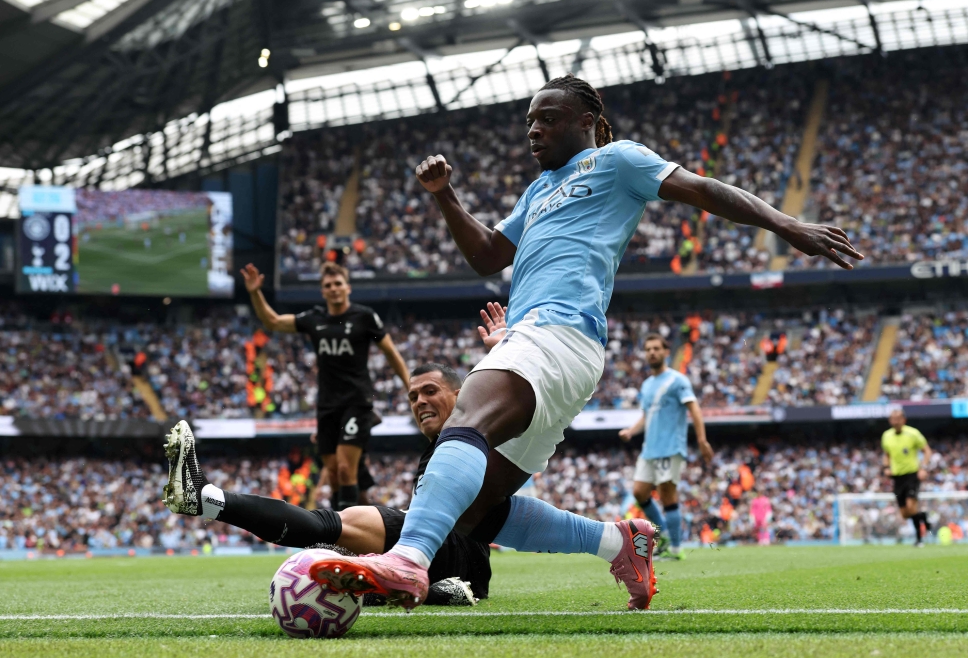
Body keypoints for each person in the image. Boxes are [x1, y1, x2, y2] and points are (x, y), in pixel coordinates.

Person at [307, 74, 863, 611]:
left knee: (464, 423)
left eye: (548, 119)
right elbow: (487, 257)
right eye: (529, 121)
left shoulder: (617, 159)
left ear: (589, 121)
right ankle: (619, 543)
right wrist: (445, 196)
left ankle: (407, 560)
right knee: (477, 509)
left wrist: (789, 226)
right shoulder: (537, 190)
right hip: (552, 343)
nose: (534, 131)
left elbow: (703, 189)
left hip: (557, 329)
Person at [161, 362, 490, 605]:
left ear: (461, 397)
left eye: (430, 392)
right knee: (329, 555)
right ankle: (431, 592)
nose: (419, 401)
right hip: (454, 558)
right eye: (413, 396)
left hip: (458, 545)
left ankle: (206, 499)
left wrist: (505, 344)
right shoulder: (440, 446)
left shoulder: (476, 434)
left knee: (339, 525)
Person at [240, 261, 409, 510]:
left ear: (348, 288)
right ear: (322, 291)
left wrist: (409, 385)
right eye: (328, 285)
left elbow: (391, 353)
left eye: (338, 283)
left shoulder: (364, 317)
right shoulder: (313, 319)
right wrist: (255, 292)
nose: (333, 288)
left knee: (344, 467)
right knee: (333, 475)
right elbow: (273, 321)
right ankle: (369, 529)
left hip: (357, 401)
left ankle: (346, 538)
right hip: (327, 405)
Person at [618, 333, 713, 560]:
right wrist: (631, 431)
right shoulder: (647, 384)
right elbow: (646, 416)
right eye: (648, 349)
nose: (652, 352)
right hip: (649, 449)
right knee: (639, 492)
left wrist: (701, 440)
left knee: (667, 496)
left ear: (666, 352)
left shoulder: (677, 380)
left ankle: (676, 549)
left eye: (656, 348)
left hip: (670, 448)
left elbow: (695, 409)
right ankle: (665, 537)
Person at [881, 408, 933, 546]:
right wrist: (886, 468)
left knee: (911, 506)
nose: (896, 421)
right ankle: (923, 517)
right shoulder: (886, 436)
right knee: (905, 513)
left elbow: (927, 451)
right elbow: (886, 454)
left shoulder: (913, 433)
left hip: (912, 474)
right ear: (890, 420)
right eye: (893, 418)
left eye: (898, 418)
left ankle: (919, 539)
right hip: (897, 477)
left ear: (904, 420)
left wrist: (923, 468)